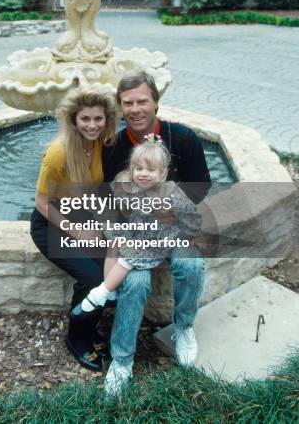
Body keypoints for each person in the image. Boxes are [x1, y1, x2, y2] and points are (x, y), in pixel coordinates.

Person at [101, 70, 211, 394]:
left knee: (190, 264)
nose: (135, 109)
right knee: (133, 282)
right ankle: (122, 360)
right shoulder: (114, 146)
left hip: (175, 227)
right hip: (136, 233)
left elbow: (202, 185)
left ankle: (184, 326)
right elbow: (108, 195)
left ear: (156, 102)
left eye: (142, 101)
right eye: (128, 103)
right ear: (121, 107)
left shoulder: (184, 138)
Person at [30, 85, 116, 372]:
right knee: (92, 278)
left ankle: (91, 329)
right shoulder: (58, 152)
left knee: (110, 271)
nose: (92, 125)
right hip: (50, 223)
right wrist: (78, 232)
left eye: (98, 119)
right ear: (73, 120)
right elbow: (42, 202)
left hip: (79, 217)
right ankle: (76, 338)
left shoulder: (101, 143)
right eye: (85, 119)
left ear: (106, 119)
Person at [71, 135, 202, 318]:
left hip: (158, 239)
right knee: (114, 246)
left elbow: (190, 213)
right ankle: (111, 290)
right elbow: (118, 187)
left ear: (163, 173)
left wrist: (194, 233)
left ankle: (99, 294)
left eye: (150, 170)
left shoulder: (170, 192)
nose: (144, 173)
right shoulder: (134, 186)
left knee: (127, 260)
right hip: (137, 233)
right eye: (139, 169)